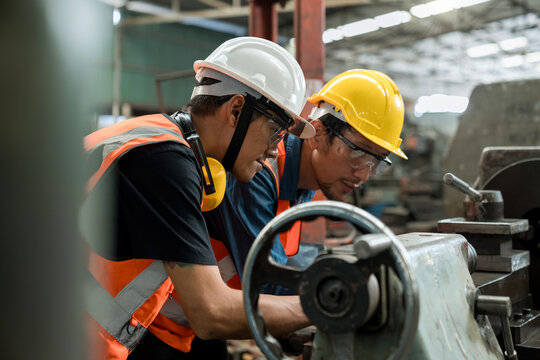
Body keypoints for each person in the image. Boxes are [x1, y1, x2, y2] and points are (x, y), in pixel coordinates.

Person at [80, 36, 316, 360]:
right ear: (236, 110)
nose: (276, 150)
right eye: (275, 131)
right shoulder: (163, 161)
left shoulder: (162, 144)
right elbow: (210, 312)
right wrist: (320, 305)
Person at [144, 69, 409, 357]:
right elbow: (267, 283)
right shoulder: (255, 170)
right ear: (318, 134)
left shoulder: (301, 186)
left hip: (192, 328)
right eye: (360, 153)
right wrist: (339, 296)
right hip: (151, 325)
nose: (364, 173)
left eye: (377, 163)